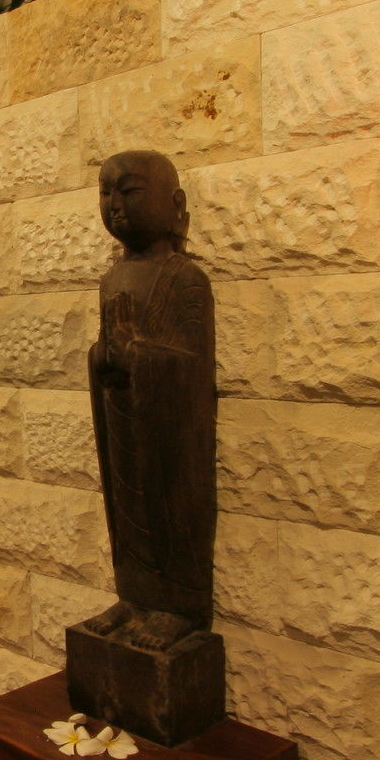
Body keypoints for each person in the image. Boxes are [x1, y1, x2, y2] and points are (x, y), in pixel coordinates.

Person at [77, 150, 216, 654]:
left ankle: (177, 605)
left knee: (167, 505)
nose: (115, 205)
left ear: (174, 204)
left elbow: (192, 364)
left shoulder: (185, 279)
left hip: (169, 432)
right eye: (105, 193)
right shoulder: (111, 279)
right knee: (124, 503)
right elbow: (105, 349)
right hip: (122, 415)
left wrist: (137, 354)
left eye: (130, 191)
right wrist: (103, 356)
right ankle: (133, 597)